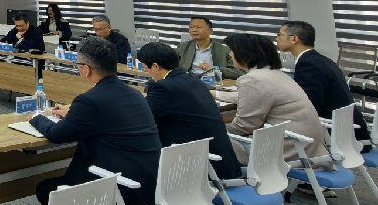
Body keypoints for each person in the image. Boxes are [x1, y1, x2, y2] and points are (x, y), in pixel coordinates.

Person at [29, 37, 160, 205]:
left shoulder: (89, 100)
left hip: (119, 189)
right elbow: (109, 116)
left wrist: (36, 118)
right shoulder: (135, 93)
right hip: (148, 183)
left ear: (86, 69)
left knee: (46, 189)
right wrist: (73, 113)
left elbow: (56, 134)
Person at [137, 42, 242, 180]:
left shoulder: (164, 88)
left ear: (156, 66)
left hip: (200, 171)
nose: (147, 72)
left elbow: (143, 119)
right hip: (223, 164)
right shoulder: (193, 80)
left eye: (146, 68)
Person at [219, 33, 327, 165]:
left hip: (283, 153)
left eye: (232, 50)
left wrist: (219, 129)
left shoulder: (253, 79)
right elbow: (253, 97)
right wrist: (216, 94)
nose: (230, 54)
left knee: (206, 137)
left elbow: (244, 126)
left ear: (245, 54)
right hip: (306, 148)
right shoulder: (275, 74)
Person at [277, 20, 370, 147]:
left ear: (294, 39)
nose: (277, 39)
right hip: (352, 133)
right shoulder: (321, 60)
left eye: (280, 35)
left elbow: (310, 105)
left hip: (341, 138)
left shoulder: (308, 64)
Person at [177, 16, 242, 82]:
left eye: (199, 27)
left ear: (210, 31)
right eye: (191, 27)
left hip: (213, 83)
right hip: (188, 81)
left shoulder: (224, 50)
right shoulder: (183, 47)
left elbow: (239, 73)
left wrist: (216, 69)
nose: (194, 30)